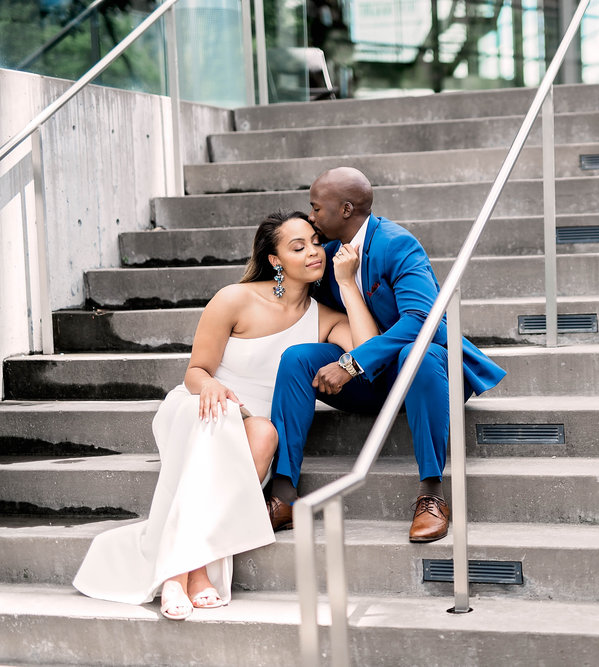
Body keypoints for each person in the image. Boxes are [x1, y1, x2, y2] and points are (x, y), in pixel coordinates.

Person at [73, 211, 378, 620]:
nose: (312, 252)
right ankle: (187, 574)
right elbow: (196, 372)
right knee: (220, 424)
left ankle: (185, 569)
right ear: (275, 260)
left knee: (266, 435)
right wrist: (213, 386)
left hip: (253, 423)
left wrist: (345, 283)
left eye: (315, 242)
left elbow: (370, 350)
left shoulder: (324, 317)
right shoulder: (234, 298)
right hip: (204, 404)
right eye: (297, 246)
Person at [266, 167, 506, 543]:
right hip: (375, 378)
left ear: (345, 209)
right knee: (297, 358)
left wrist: (351, 363)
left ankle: (432, 494)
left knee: (417, 353)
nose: (311, 217)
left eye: (316, 207)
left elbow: (422, 319)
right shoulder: (326, 254)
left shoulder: (397, 244)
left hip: (428, 374)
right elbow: (283, 288)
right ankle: (283, 494)